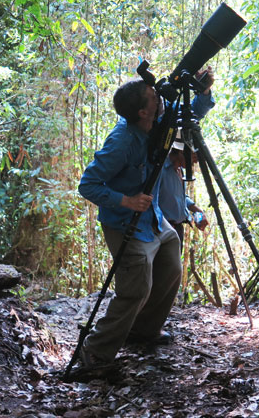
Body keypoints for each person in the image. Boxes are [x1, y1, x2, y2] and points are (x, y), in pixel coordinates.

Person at [77, 79, 181, 366]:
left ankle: (144, 330)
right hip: (126, 223)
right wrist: (127, 200)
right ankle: (95, 353)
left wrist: (203, 89)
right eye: (152, 97)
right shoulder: (121, 143)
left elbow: (188, 111)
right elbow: (88, 185)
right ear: (141, 113)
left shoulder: (158, 118)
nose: (158, 98)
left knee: (171, 264)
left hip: (154, 220)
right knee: (135, 289)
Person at [159, 67, 215, 248]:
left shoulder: (177, 169)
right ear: (181, 149)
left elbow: (176, 196)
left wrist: (194, 208)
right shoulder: (160, 168)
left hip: (177, 229)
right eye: (194, 155)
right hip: (163, 229)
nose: (196, 161)